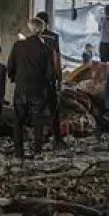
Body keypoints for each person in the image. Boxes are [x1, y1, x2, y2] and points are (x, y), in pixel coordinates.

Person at [7, 18, 56, 157]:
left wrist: (14, 78)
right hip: (38, 90)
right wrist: (48, 85)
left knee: (18, 120)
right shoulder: (46, 49)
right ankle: (37, 150)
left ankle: (18, 151)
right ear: (41, 30)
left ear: (29, 29)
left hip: (21, 87)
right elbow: (50, 73)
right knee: (37, 121)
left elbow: (10, 66)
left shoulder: (18, 46)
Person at [35, 11, 66, 148]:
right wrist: (59, 79)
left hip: (37, 80)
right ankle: (57, 138)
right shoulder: (53, 37)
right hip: (50, 79)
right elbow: (56, 59)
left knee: (38, 111)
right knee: (54, 109)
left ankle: (38, 140)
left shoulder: (31, 39)